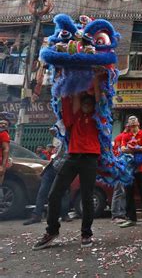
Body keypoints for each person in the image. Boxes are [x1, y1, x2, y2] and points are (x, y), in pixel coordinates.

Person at [33, 78, 102, 250]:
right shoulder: (74, 117)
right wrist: (64, 77)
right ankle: (52, 231)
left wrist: (94, 78)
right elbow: (70, 97)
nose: (86, 104)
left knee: (87, 198)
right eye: (83, 102)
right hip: (72, 157)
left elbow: (100, 100)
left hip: (90, 158)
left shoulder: (98, 118)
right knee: (54, 194)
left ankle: (86, 233)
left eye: (89, 102)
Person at [24, 127, 71, 225]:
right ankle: (37, 215)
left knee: (64, 193)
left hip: (62, 169)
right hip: (51, 167)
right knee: (43, 192)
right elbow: (53, 130)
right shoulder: (61, 137)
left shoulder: (72, 142)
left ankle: (64, 214)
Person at [118, 115, 142, 228]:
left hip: (141, 168)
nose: (133, 126)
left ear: (138, 123)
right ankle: (131, 218)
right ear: (128, 125)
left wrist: (133, 148)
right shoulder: (125, 135)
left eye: (134, 124)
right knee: (128, 193)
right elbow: (123, 149)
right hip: (128, 169)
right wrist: (138, 148)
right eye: (131, 124)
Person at [110, 127, 128, 223]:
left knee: (121, 191)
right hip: (120, 167)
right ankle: (116, 214)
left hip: (119, 167)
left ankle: (121, 213)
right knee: (119, 191)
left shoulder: (118, 137)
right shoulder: (123, 137)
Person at [0, 118, 10, 185]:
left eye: (5, 124)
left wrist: (3, 166)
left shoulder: (4, 134)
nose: (3, 125)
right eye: (1, 123)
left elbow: (6, 149)